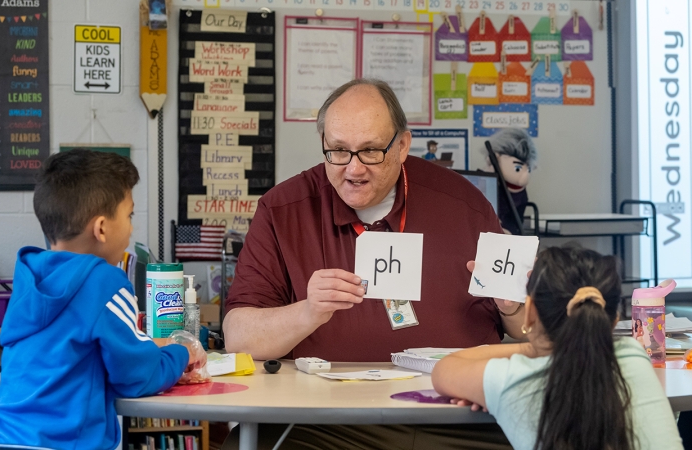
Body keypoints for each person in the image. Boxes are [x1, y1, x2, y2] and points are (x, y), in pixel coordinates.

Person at [222, 79, 524, 448]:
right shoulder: (282, 209)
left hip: (457, 416)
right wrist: (308, 312)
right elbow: (239, 337)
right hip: (326, 421)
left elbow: (525, 329)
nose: (353, 169)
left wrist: (513, 307)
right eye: (338, 151)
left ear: (402, 145)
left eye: (370, 151)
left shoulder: (464, 204)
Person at [0, 150, 202, 449]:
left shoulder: (29, 277)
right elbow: (136, 377)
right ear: (102, 228)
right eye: (129, 215)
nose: (131, 227)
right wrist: (183, 353)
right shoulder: (105, 281)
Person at [432, 246, 683, 450]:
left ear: (529, 312)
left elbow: (445, 369)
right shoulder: (633, 354)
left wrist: (534, 352)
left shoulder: (514, 378)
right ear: (614, 320)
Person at [486, 128, 537, 235]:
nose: (525, 175)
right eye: (517, 168)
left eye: (528, 169)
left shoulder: (518, 192)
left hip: (510, 232)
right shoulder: (489, 183)